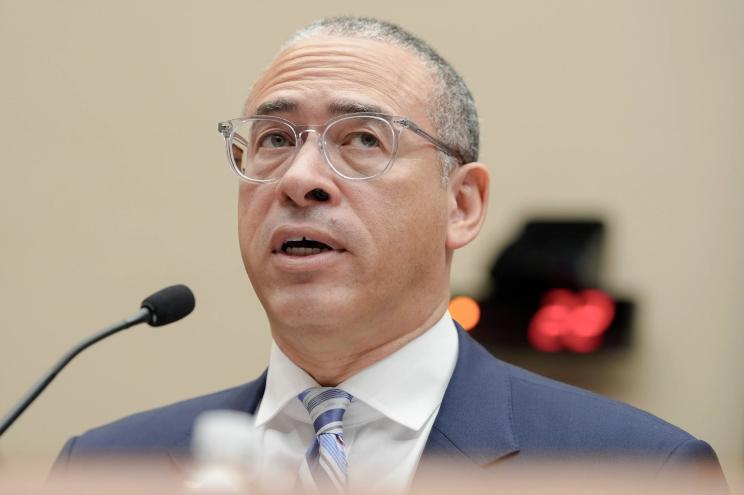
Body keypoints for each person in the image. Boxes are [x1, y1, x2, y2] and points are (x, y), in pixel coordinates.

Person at [54, 16, 724, 492]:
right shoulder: (107, 468)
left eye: (363, 140)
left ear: (461, 205)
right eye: (273, 139)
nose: (298, 177)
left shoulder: (636, 471)